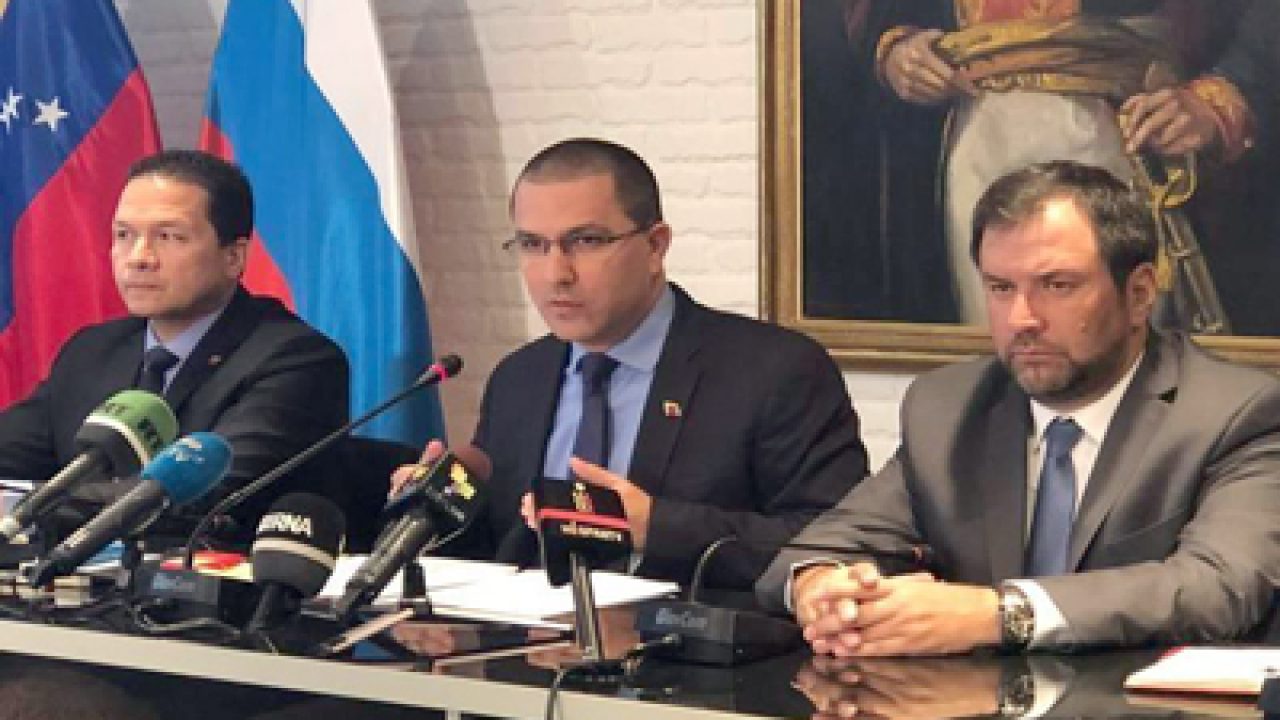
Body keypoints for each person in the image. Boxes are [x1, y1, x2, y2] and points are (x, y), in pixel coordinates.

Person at [759, 160, 1280, 653]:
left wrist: (999, 613)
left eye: (1057, 285)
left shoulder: (1234, 414)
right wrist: (825, 591)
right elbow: (813, 552)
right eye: (1000, 288)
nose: (1021, 318)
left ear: (1140, 293)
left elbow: (1219, 586)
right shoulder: (948, 408)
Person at [402, 138, 869, 590]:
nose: (555, 274)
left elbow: (835, 543)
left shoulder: (774, 371)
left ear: (655, 246)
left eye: (586, 241)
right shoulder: (519, 377)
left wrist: (657, 527)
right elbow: (507, 547)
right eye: (532, 244)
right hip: (529, 638)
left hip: (679, 641)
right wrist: (440, 512)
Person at [0, 149, 349, 544]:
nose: (138, 258)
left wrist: (29, 509)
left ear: (233, 257)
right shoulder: (93, 351)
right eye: (123, 235)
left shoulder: (297, 360)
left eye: (168, 237)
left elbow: (198, 496)